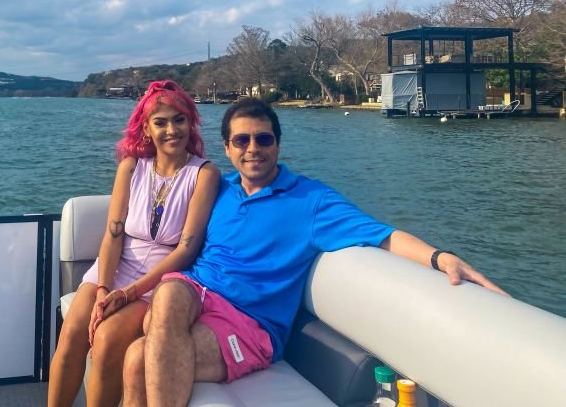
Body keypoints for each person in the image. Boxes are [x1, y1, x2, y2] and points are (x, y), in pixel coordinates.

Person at [123, 98, 506, 407]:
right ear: (227, 148)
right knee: (171, 291)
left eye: (264, 139)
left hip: (249, 324)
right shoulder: (218, 188)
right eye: (242, 141)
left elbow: (382, 235)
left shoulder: (312, 201)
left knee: (140, 357)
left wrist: (440, 258)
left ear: (278, 144)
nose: (253, 149)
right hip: (198, 294)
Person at [48, 80, 220, 407]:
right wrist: (103, 287)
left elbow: (186, 249)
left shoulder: (204, 174)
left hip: (161, 279)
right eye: (161, 122)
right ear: (146, 128)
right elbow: (114, 233)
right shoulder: (131, 168)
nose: (172, 129)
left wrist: (129, 293)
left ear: (191, 122)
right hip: (116, 266)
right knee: (71, 336)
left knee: (108, 340)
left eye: (179, 119)